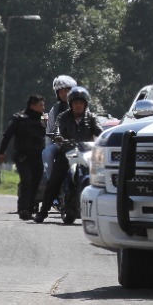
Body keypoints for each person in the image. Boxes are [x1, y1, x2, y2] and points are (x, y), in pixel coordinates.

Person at [35, 86, 100, 223]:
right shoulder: (63, 116)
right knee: (54, 180)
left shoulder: (91, 118)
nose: (78, 105)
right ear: (70, 104)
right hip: (66, 153)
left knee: (101, 178)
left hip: (86, 154)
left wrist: (105, 137)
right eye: (75, 103)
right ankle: (43, 212)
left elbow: (100, 131)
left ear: (85, 104)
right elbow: (57, 129)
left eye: (81, 103)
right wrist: (59, 137)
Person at [0, 94, 47, 219]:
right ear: (32, 106)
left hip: (38, 156)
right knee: (26, 181)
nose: (43, 108)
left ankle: (30, 209)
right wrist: (1, 152)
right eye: (40, 105)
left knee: (35, 183)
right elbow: (7, 135)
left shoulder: (44, 119)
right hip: (23, 157)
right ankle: (23, 209)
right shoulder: (19, 118)